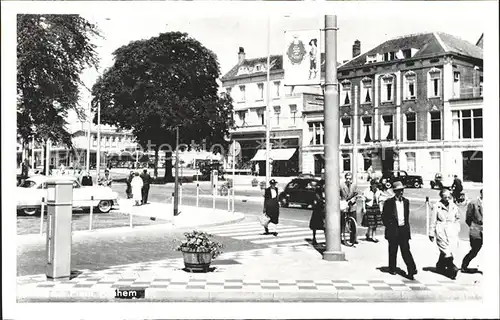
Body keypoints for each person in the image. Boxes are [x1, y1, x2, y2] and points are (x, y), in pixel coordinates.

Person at [382, 181, 418, 280]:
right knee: (393, 250)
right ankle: (392, 268)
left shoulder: (406, 202)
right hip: (393, 230)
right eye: (398, 191)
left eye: (402, 190)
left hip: (403, 230)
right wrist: (389, 226)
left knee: (406, 250)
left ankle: (412, 269)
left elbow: (406, 216)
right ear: (394, 191)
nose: (401, 193)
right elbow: (384, 217)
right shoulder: (389, 202)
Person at [429, 188, 461, 280]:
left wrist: (457, 227)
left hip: (451, 231)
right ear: (441, 197)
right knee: (446, 251)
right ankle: (452, 270)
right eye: (445, 197)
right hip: (441, 231)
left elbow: (457, 218)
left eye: (448, 197)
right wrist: (431, 233)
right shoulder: (437, 206)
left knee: (448, 250)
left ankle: (440, 266)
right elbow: (433, 220)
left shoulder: (454, 206)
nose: (447, 199)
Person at [461, 189, 483, 273]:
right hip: (476, 230)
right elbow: (468, 218)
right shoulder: (473, 203)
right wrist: (474, 227)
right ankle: (464, 266)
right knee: (475, 250)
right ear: (481, 193)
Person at [340, 172, 360, 244]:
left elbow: (357, 194)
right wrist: (342, 201)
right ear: (345, 178)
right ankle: (341, 237)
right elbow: (338, 194)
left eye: (350, 179)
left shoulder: (354, 185)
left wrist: (353, 200)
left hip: (352, 205)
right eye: (347, 178)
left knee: (353, 222)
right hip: (344, 204)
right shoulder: (341, 185)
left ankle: (353, 238)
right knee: (342, 222)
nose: (348, 180)